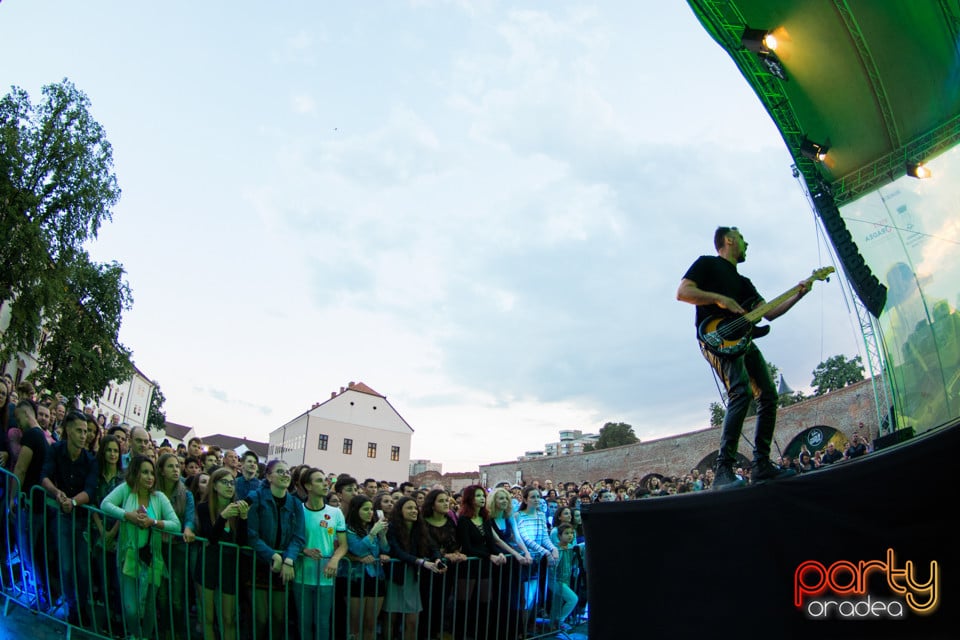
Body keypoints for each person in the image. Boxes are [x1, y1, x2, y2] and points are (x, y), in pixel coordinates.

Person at [677, 226, 809, 489]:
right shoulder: (707, 265)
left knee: (769, 394)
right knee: (740, 393)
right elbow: (683, 292)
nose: (747, 244)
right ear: (729, 239)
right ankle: (723, 470)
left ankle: (761, 464)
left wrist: (798, 293)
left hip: (744, 340)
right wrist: (720, 300)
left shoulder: (745, 283)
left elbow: (768, 313)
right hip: (717, 337)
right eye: (743, 239)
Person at [100, 455, 182, 640]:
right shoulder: (126, 490)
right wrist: (127, 515)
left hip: (153, 558)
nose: (149, 477)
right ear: (135, 473)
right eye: (144, 472)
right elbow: (105, 504)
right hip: (128, 555)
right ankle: (134, 635)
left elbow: (176, 524)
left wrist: (154, 522)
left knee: (149, 606)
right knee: (131, 608)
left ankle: (143, 637)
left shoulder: (159, 497)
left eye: (152, 473)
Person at [40, 410, 98, 627]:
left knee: (83, 567)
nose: (84, 435)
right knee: (65, 565)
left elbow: (90, 490)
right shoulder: (56, 449)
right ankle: (72, 607)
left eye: (86, 432)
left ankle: (80, 608)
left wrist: (72, 502)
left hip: (81, 517)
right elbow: (44, 476)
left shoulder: (90, 460)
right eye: (79, 431)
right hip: (62, 517)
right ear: (68, 431)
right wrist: (57, 493)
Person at [246, 460, 305, 640]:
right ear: (269, 476)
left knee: (279, 618)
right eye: (280, 471)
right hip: (259, 562)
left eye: (287, 471)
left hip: (284, 566)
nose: (286, 474)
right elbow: (251, 534)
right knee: (260, 619)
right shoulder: (255, 497)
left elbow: (299, 537)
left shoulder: (295, 503)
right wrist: (272, 555)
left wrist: (288, 559)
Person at [196, 466, 249, 640]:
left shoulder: (237, 508)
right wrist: (222, 517)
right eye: (224, 482)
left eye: (232, 483)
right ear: (215, 486)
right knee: (208, 618)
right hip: (207, 565)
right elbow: (211, 537)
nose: (229, 486)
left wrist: (243, 519)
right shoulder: (204, 508)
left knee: (229, 619)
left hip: (229, 567)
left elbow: (241, 542)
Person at [295, 468, 347, 640]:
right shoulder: (298, 510)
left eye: (325, 480)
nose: (325, 483)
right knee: (304, 623)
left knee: (323, 624)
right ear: (308, 486)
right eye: (319, 480)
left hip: (326, 578)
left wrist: (334, 560)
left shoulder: (335, 512)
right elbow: (291, 540)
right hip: (301, 576)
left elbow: (343, 545)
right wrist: (304, 551)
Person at [384, 496, 444, 640]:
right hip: (395, 577)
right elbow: (397, 552)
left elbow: (433, 546)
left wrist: (437, 559)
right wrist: (421, 562)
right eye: (409, 508)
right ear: (400, 511)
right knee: (390, 619)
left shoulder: (420, 527)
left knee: (412, 621)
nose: (414, 511)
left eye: (415, 508)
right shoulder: (392, 528)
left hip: (412, 578)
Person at [155, 453, 197, 640]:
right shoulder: (154, 491)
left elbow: (189, 516)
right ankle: (164, 631)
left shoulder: (186, 493)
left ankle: (178, 633)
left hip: (178, 548)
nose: (175, 470)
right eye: (170, 466)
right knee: (162, 595)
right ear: (161, 471)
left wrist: (188, 528)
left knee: (177, 597)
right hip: (157, 546)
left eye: (177, 466)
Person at [344, 495, 389, 640]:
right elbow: (357, 550)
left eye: (371, 509)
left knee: (371, 624)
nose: (370, 512)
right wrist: (372, 533)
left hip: (376, 577)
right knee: (355, 626)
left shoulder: (373, 527)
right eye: (365, 509)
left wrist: (382, 536)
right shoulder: (348, 529)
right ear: (356, 510)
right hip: (356, 578)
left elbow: (385, 549)